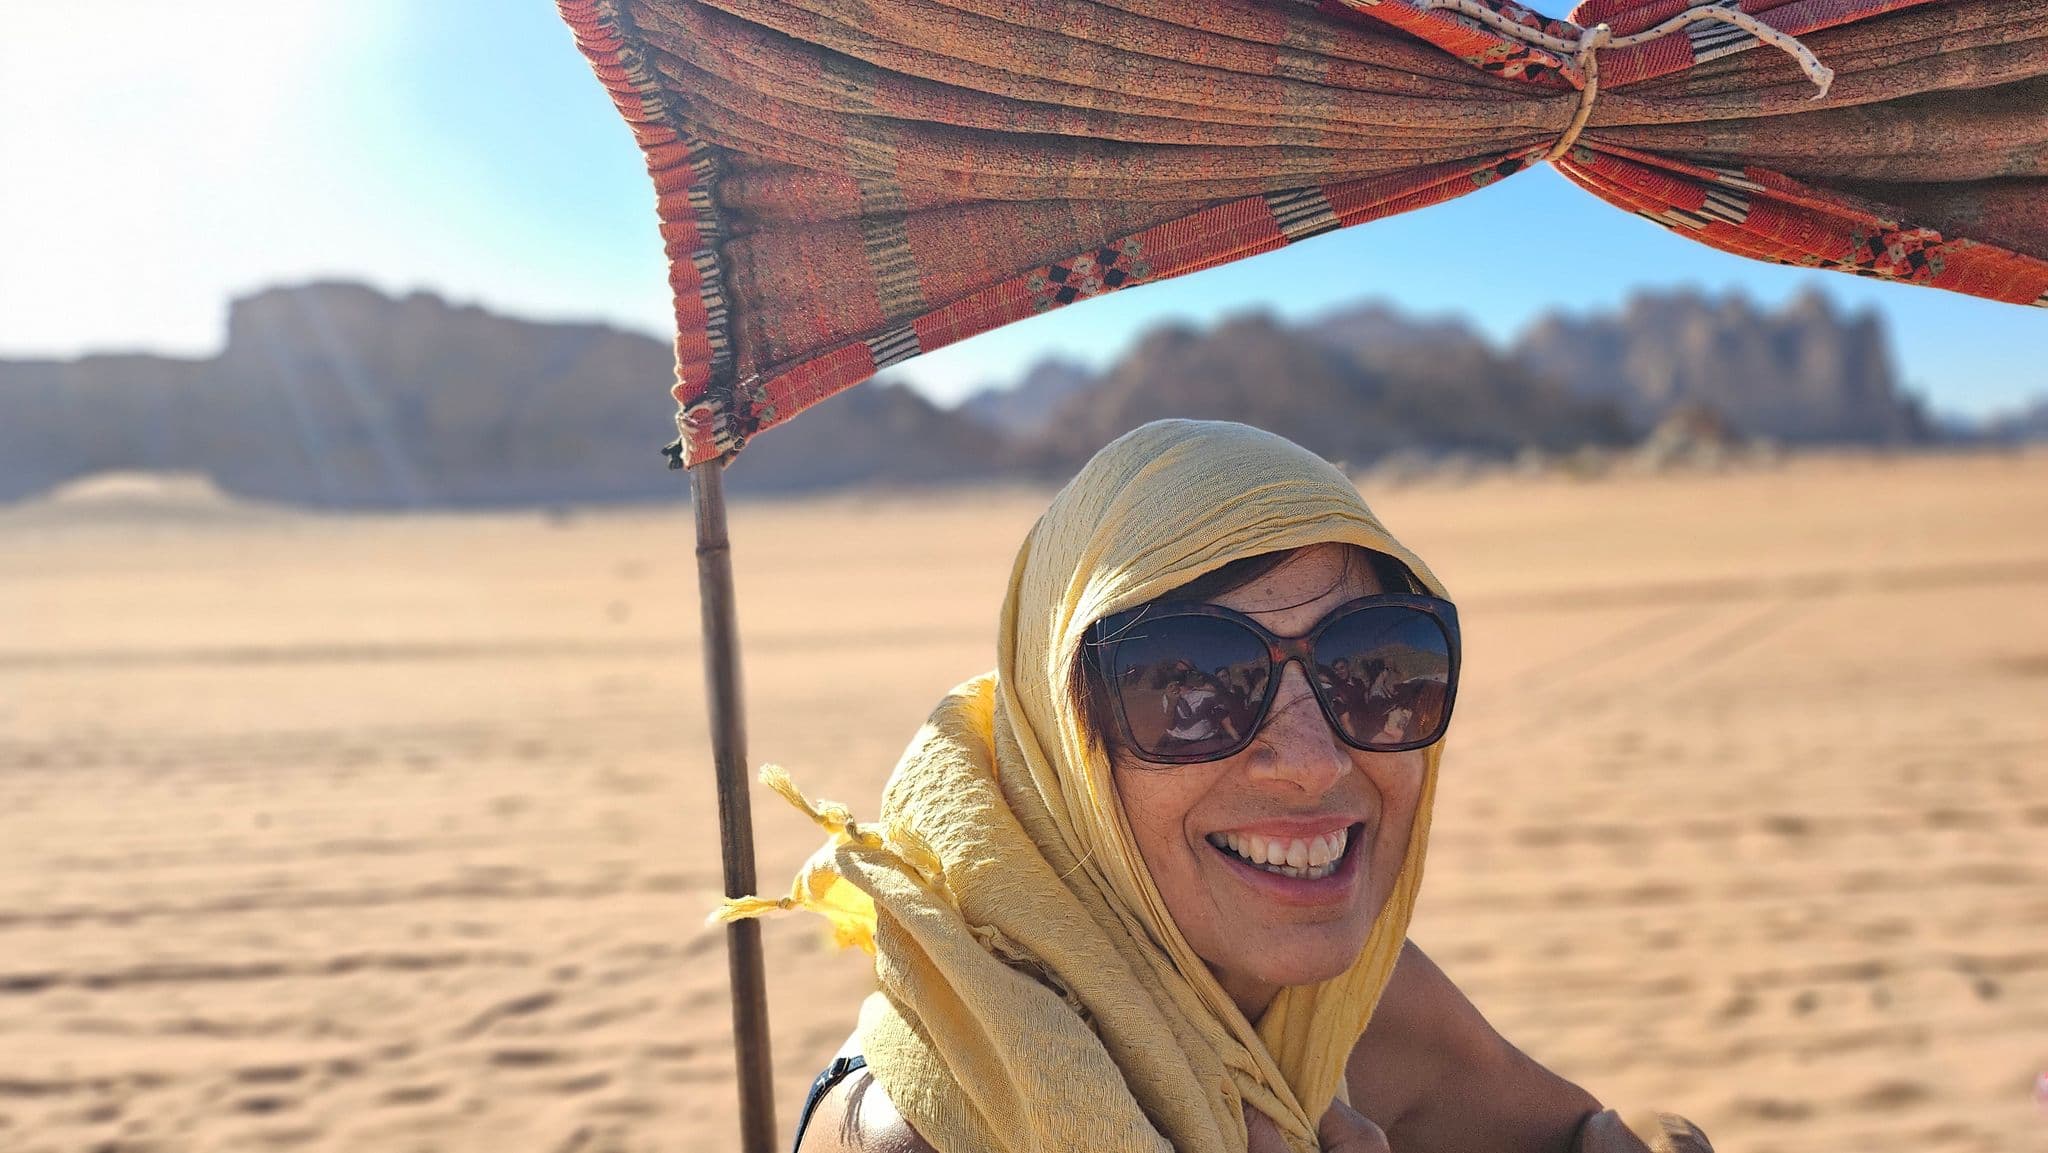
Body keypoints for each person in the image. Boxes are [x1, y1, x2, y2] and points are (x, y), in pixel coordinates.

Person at [721, 421, 1710, 1153]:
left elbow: (1599, 1137)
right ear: (1068, 746)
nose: (1314, 760)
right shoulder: (924, 1131)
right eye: (1187, 687)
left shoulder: (1344, 1005)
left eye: (1374, 667)